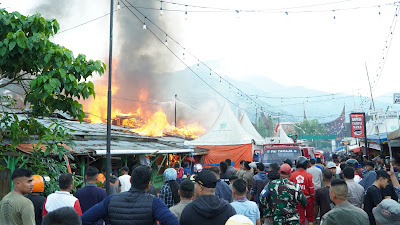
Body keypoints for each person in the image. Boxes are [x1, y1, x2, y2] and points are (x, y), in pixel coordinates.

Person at [81, 165, 179, 225]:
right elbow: (172, 222)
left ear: (131, 180)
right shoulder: (155, 202)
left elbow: (84, 219)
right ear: (149, 184)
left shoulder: (111, 200)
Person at [290, 156, 315, 225]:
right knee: (310, 218)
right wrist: (313, 201)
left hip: (296, 200)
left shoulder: (292, 175)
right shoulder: (309, 176)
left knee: (301, 218)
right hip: (308, 199)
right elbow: (312, 191)